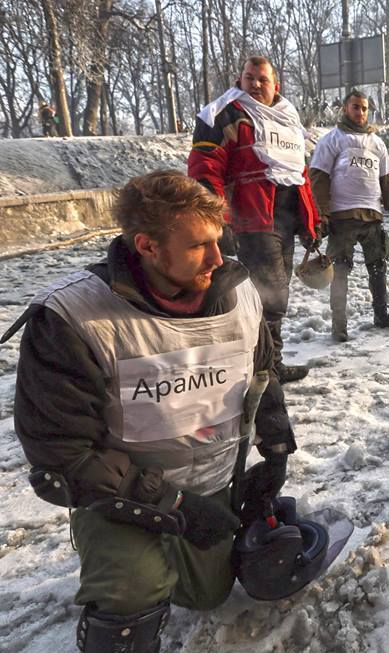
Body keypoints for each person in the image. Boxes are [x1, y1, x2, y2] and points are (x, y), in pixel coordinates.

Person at [1, 171, 296, 651]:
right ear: (148, 246)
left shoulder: (239, 292)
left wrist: (276, 450)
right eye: (199, 246)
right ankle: (122, 577)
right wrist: (174, 505)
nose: (220, 259)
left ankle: (174, 558)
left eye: (219, 241)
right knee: (132, 589)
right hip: (121, 494)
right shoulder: (72, 318)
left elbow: (262, 375)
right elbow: (63, 454)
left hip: (212, 480)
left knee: (208, 593)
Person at [188, 55, 318, 384]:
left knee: (276, 292)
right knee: (269, 295)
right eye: (249, 78)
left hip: (285, 218)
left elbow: (299, 174)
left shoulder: (288, 119)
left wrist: (311, 221)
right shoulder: (225, 113)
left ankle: (269, 360)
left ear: (277, 85)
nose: (256, 84)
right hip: (252, 218)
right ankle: (265, 368)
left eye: (262, 79)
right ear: (240, 79)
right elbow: (206, 169)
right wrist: (217, 220)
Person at [309, 89, 389, 343]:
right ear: (345, 108)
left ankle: (381, 315)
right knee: (340, 270)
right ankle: (338, 326)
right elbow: (318, 178)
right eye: (355, 107)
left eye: (364, 108)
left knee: (378, 266)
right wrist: (323, 214)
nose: (360, 112)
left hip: (372, 215)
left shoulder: (377, 143)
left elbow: (388, 179)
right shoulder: (333, 139)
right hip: (342, 216)